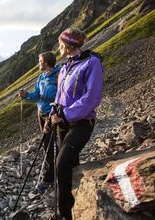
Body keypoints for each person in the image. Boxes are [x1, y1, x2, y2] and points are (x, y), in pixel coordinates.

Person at [45, 28, 103, 220]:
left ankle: (65, 214)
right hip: (63, 122)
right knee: (70, 164)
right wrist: (51, 116)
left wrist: (66, 115)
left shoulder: (92, 63)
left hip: (82, 123)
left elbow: (92, 97)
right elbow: (60, 97)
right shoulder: (65, 67)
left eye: (60, 44)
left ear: (69, 45)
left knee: (61, 164)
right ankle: (78, 205)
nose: (58, 47)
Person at [19, 51, 60, 193]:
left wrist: (55, 112)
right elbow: (37, 95)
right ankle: (52, 175)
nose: (39, 63)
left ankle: (49, 178)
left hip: (54, 114)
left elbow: (63, 95)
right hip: (41, 114)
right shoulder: (41, 77)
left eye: (40, 60)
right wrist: (26, 95)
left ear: (47, 62)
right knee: (47, 144)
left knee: (54, 144)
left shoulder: (59, 75)